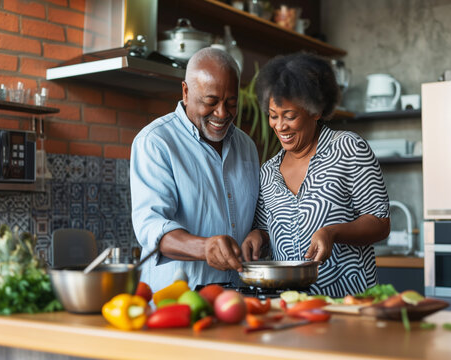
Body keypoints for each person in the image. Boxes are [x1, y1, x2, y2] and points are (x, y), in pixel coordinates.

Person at [242, 53, 390, 298]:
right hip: (291, 304)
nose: (280, 126)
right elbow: (267, 228)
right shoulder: (268, 172)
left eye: (290, 116)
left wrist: (333, 232)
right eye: (273, 115)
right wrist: (257, 236)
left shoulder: (349, 149)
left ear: (315, 110)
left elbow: (380, 222)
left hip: (348, 302)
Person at [130, 48, 259, 292]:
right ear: (186, 93)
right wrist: (205, 247)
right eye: (211, 102)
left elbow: (254, 219)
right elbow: (151, 227)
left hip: (237, 299)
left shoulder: (247, 147)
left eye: (231, 103)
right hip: (175, 300)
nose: (222, 113)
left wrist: (258, 235)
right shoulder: (156, 142)